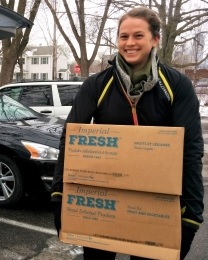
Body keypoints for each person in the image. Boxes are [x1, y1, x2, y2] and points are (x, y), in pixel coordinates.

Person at [50, 6, 204, 260]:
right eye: (124, 36)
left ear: (155, 39)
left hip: (155, 204)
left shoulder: (176, 85)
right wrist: (59, 195)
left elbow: (190, 149)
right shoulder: (96, 84)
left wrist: (192, 214)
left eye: (138, 36)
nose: (129, 43)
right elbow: (71, 138)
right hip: (103, 205)